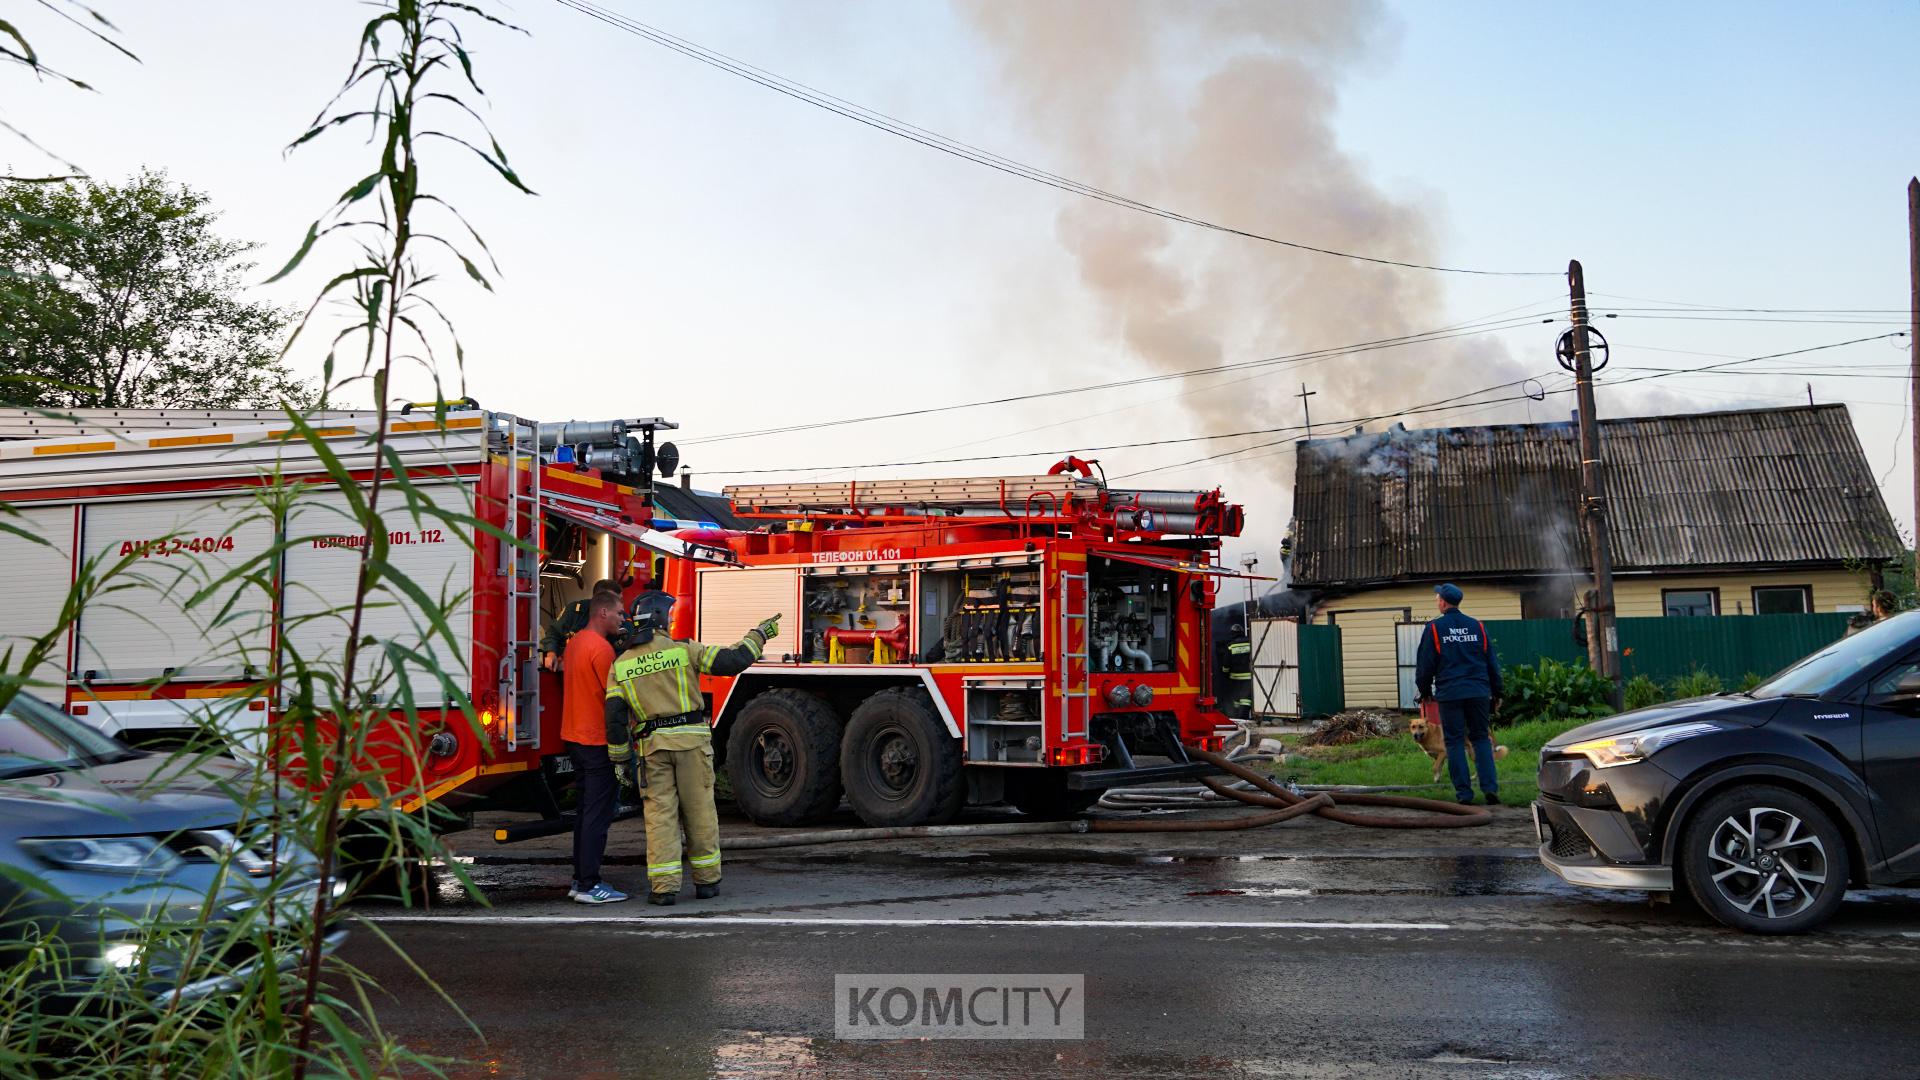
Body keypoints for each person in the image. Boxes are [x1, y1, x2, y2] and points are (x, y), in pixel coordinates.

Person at [605, 592, 779, 906]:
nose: (671, 622)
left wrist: (620, 759)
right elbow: (733, 661)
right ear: (660, 619)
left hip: (651, 750)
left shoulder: (621, 664)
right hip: (693, 747)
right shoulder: (684, 650)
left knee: (660, 818)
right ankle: (708, 882)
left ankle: (664, 889)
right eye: (668, 618)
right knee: (700, 813)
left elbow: (615, 717)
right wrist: (760, 634)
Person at [1414, 582, 1505, 807]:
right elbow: (1492, 663)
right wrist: (1497, 692)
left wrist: (1424, 691)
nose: (1436, 601)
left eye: (1437, 598)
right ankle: (1490, 789)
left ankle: (1464, 794)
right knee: (1480, 739)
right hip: (1478, 693)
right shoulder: (1477, 627)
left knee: (1454, 742)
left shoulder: (1434, 629)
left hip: (1450, 694)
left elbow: (1425, 666)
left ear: (1443, 602)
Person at [564, 592, 627, 904]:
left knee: (584, 813)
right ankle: (589, 884)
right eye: (619, 613)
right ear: (602, 612)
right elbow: (615, 699)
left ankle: (580, 880)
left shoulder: (575, 643)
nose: (622, 618)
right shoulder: (602, 650)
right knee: (597, 817)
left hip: (574, 736)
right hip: (596, 740)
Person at [540, 577, 627, 671]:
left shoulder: (623, 621)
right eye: (613, 601)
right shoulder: (575, 610)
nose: (618, 605)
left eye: (620, 600)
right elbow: (553, 633)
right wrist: (551, 653)